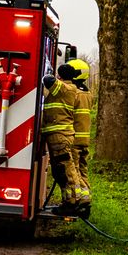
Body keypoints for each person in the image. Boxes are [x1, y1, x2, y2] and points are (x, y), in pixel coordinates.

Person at [41, 63, 86, 217]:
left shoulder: (65, 88)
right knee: (61, 171)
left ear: (60, 76)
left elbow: (47, 79)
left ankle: (72, 202)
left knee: (66, 170)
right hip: (58, 136)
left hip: (60, 136)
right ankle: (69, 201)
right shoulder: (66, 89)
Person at [66, 58, 94, 206]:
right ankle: (86, 197)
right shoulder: (88, 94)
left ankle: (75, 200)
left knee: (74, 171)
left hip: (74, 139)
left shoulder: (73, 93)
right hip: (85, 140)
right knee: (82, 170)